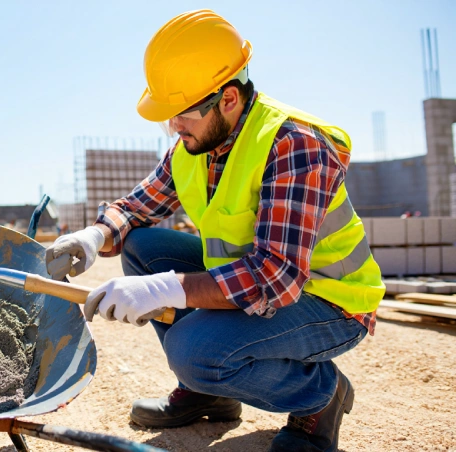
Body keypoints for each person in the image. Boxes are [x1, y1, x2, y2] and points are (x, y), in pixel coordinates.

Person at [45, 10, 385, 452]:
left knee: (194, 352)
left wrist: (162, 290)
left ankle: (320, 397)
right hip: (262, 285)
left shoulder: (293, 145)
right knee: (141, 244)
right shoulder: (193, 145)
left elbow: (275, 278)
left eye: (182, 113)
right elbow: (133, 211)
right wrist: (92, 238)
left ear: (227, 99)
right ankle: (211, 395)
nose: (173, 126)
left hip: (328, 302)